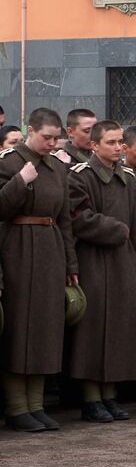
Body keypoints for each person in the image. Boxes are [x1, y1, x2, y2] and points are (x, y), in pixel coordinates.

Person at [67, 120, 136, 424]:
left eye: (119, 143)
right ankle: (92, 397)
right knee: (94, 331)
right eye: (111, 143)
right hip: (94, 260)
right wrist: (116, 229)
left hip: (123, 261)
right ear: (94, 145)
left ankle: (110, 394)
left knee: (119, 329)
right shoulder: (81, 177)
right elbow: (79, 218)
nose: (118, 148)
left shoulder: (128, 178)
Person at [0, 108, 78, 431]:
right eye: (46, 137)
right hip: (18, 247)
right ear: (30, 130)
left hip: (50, 249)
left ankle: (36, 404)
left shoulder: (58, 167)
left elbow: (66, 219)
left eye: (55, 138)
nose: (51, 143)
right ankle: (18, 407)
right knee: (21, 329)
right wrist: (21, 181)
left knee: (45, 328)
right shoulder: (9, 163)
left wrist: (71, 263)